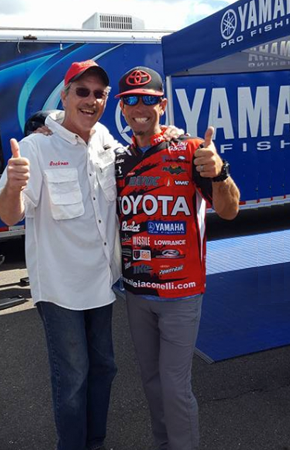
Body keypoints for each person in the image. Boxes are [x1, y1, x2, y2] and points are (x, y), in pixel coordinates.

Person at [0, 60, 121, 450]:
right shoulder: (35, 146)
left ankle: (94, 442)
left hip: (103, 281)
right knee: (74, 376)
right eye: (81, 91)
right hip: (61, 287)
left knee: (104, 368)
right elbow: (9, 214)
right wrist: (13, 185)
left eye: (99, 93)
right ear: (64, 95)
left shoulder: (106, 140)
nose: (91, 100)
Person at [114, 66, 240, 450]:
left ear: (162, 105)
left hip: (181, 292)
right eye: (130, 100)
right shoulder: (118, 161)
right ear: (121, 109)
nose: (139, 107)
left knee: (173, 384)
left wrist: (219, 174)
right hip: (136, 291)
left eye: (148, 100)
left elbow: (230, 210)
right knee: (151, 382)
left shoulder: (190, 150)